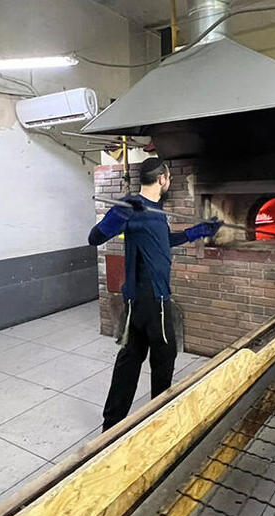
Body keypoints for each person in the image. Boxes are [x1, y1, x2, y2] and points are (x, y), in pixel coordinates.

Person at [88, 157, 222, 431]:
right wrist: (121, 214)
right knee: (164, 358)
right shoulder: (132, 207)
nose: (169, 182)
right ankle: (158, 422)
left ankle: (111, 426)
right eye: (169, 178)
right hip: (152, 299)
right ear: (162, 179)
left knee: (130, 359)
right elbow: (95, 238)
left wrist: (200, 230)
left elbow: (164, 241)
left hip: (137, 299)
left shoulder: (154, 211)